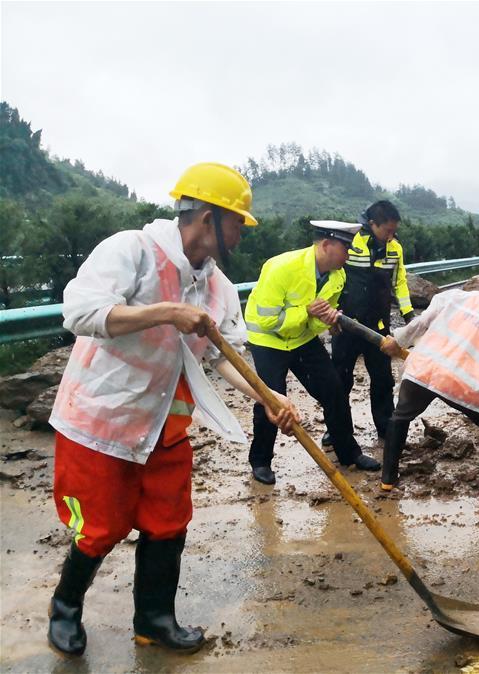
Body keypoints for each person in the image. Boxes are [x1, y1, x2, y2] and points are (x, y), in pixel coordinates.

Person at [46, 163, 298, 657]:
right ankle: (65, 610)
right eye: (236, 224)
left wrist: (269, 398)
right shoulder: (133, 250)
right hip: (103, 420)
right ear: (206, 218)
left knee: (168, 521)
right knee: (100, 527)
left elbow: (222, 356)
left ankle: (155, 620)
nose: (241, 234)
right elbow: (78, 313)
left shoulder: (216, 285)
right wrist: (166, 311)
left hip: (165, 425)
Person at [244, 220, 381, 484]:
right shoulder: (281, 267)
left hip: (302, 339)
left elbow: (317, 324)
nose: (349, 254)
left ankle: (349, 453)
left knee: (334, 390)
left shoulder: (337, 276)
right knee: (271, 398)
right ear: (327, 245)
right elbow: (268, 321)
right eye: (345, 248)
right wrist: (306, 311)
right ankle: (260, 461)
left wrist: (326, 319)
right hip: (268, 340)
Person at [378, 267, 479, 502]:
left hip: (424, 369)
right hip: (463, 384)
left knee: (400, 416)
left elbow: (422, 322)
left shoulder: (454, 297)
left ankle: (388, 477)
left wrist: (397, 340)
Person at [327, 200, 413, 446]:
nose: (391, 235)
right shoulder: (352, 244)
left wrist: (409, 317)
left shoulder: (395, 249)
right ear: (372, 224)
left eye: (394, 231)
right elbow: (334, 275)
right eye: (387, 230)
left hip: (378, 326)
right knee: (340, 379)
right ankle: (336, 430)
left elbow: (400, 283)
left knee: (383, 379)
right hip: (347, 324)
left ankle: (386, 427)